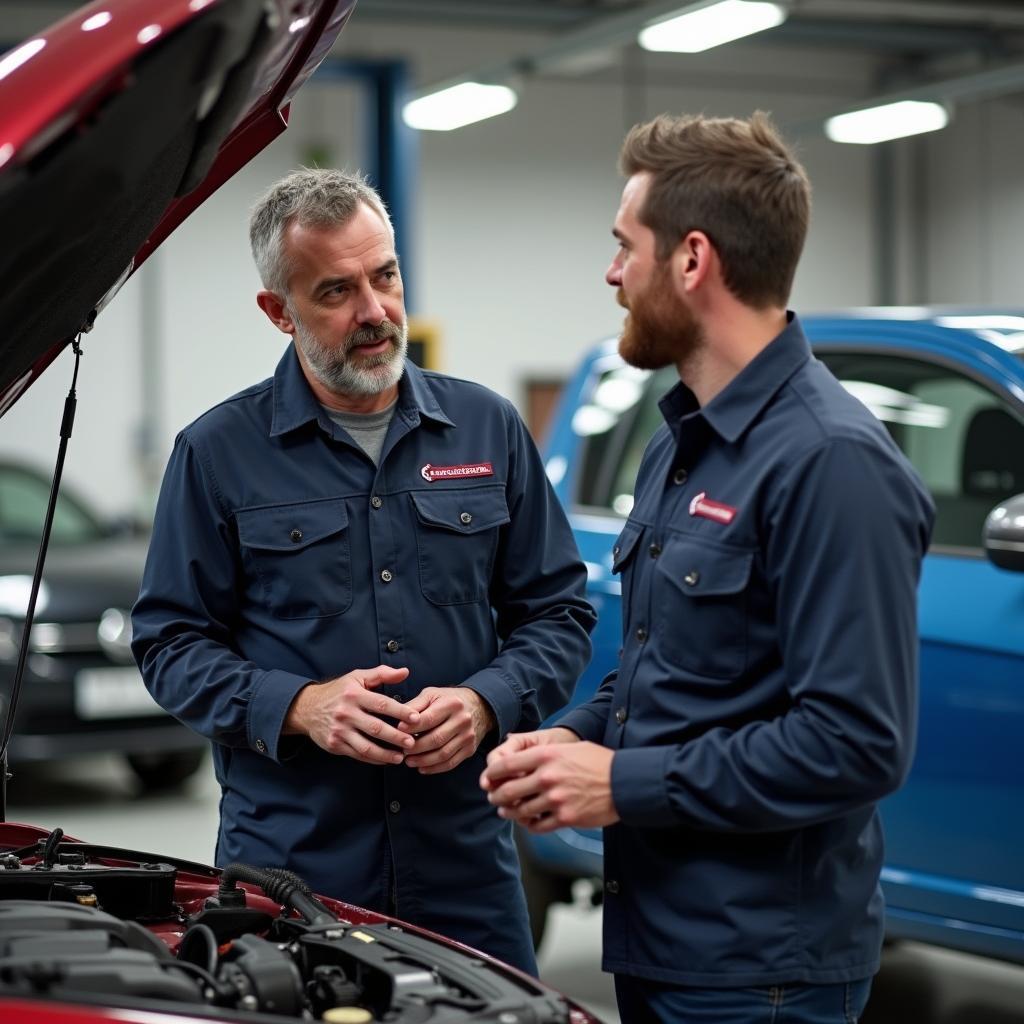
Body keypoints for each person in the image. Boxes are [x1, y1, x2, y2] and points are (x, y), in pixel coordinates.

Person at [481, 112, 935, 1020]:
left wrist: (620, 784)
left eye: (624, 247)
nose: (612, 274)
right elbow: (674, 669)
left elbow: (855, 742)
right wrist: (575, 737)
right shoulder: (680, 445)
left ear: (692, 260)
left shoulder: (829, 461)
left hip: (764, 970)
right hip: (667, 942)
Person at [131, 168, 595, 975]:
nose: (375, 312)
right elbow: (169, 643)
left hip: (468, 873)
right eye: (336, 291)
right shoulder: (216, 454)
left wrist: (488, 702)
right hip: (290, 873)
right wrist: (299, 706)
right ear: (279, 312)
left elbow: (559, 615)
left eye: (385, 276)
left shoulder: (488, 429)